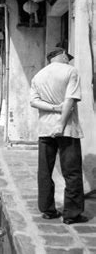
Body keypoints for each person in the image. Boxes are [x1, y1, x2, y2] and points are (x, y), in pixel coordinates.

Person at [30, 47, 88, 225]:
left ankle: (47, 210)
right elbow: (70, 100)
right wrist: (61, 123)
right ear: (62, 55)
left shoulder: (38, 76)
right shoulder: (70, 71)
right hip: (66, 128)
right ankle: (72, 214)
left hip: (45, 129)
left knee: (45, 171)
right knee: (71, 171)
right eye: (67, 57)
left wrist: (53, 108)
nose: (68, 60)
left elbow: (34, 101)